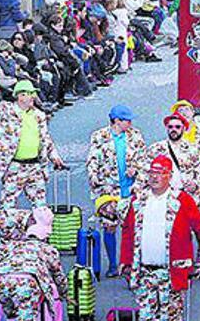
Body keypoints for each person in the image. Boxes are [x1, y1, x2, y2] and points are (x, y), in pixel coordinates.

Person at [120, 155, 200, 321]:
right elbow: (127, 232)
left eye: (160, 172)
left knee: (170, 317)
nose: (154, 177)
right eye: (151, 172)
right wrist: (125, 262)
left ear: (169, 176)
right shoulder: (138, 200)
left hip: (171, 273)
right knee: (145, 316)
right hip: (144, 272)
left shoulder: (182, 200)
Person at [86, 105, 148, 277]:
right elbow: (92, 161)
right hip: (108, 188)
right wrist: (95, 181)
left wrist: (136, 169)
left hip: (131, 188)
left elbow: (144, 158)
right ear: (116, 121)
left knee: (132, 228)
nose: (130, 123)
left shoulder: (136, 136)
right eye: (127, 120)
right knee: (109, 227)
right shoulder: (99, 136)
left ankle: (130, 265)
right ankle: (113, 264)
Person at [0, 80, 66, 209]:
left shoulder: (39, 115)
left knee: (41, 207)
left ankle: (39, 229)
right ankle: (9, 229)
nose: (34, 96)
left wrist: (55, 156)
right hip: (14, 166)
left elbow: (45, 139)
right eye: (30, 93)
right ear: (20, 96)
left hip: (35, 166)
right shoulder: (7, 111)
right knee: (7, 206)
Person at [147, 113, 200, 207]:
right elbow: (145, 170)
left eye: (177, 127)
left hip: (186, 195)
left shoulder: (193, 150)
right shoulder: (156, 148)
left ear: (183, 129)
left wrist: (195, 184)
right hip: (162, 196)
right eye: (170, 127)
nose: (174, 129)